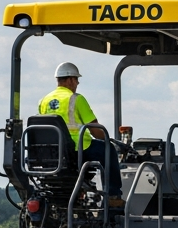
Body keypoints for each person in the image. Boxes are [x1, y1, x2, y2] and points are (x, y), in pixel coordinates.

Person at [39, 62, 123, 207]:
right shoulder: (76, 99)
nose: (77, 83)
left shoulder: (44, 101)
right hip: (78, 149)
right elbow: (96, 131)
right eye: (76, 79)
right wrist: (109, 140)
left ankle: (77, 191)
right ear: (70, 79)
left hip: (51, 153)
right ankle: (113, 196)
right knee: (108, 151)